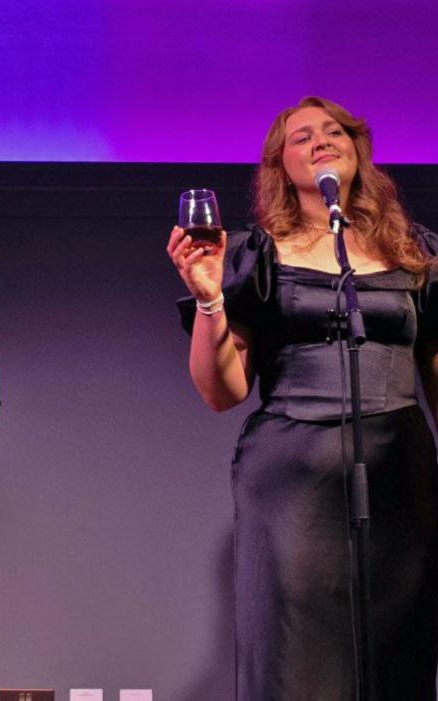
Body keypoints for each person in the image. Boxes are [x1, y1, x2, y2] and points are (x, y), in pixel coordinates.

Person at [167, 95, 438, 699]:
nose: (320, 140)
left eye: (333, 130)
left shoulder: (415, 254)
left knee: (399, 645)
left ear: (357, 149)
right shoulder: (254, 255)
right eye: (301, 137)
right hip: (292, 481)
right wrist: (210, 298)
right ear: (281, 167)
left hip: (401, 475)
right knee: (300, 659)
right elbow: (222, 392)